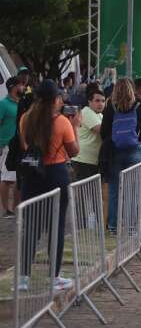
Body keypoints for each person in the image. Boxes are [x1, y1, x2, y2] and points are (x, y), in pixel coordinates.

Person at [19, 79, 80, 291]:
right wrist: (74, 127)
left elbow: (25, 145)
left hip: (32, 175)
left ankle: (23, 278)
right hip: (55, 173)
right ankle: (53, 277)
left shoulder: (26, 118)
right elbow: (74, 151)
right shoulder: (62, 122)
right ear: (55, 99)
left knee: (31, 228)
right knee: (56, 227)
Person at [100, 78, 141, 234]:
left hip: (114, 152)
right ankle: (131, 227)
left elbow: (104, 132)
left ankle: (113, 227)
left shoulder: (110, 108)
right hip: (136, 151)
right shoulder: (139, 106)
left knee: (114, 191)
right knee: (133, 190)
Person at [0, 77, 25, 217]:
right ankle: (5, 209)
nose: (23, 87)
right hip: (6, 146)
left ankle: (16, 208)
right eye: (21, 84)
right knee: (7, 178)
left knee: (18, 178)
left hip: (18, 145)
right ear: (13, 87)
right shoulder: (3, 104)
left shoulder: (21, 104)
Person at [72, 89, 106, 180]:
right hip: (84, 161)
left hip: (90, 161)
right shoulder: (87, 112)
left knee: (89, 192)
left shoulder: (99, 115)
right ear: (90, 102)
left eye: (103, 101)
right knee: (83, 193)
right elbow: (102, 130)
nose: (101, 104)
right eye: (97, 101)